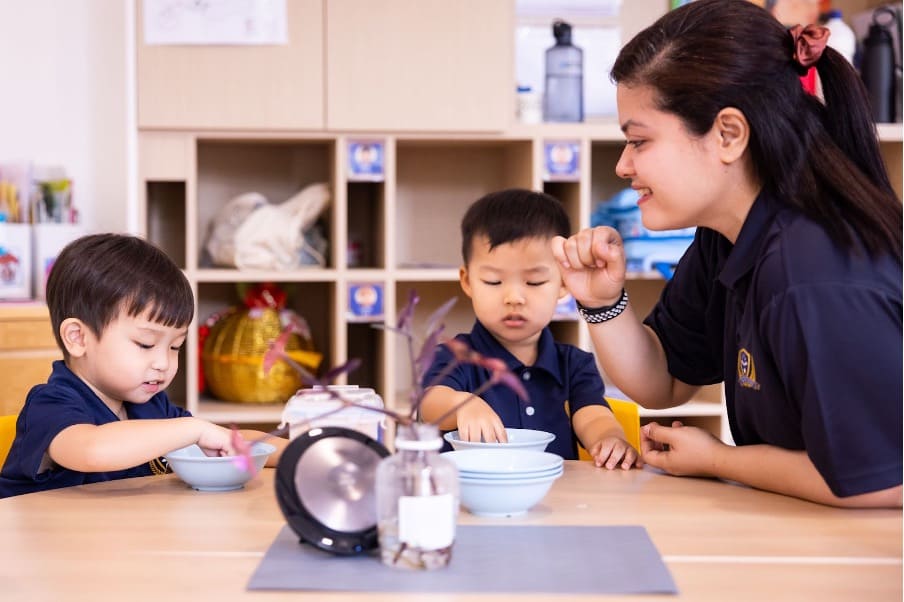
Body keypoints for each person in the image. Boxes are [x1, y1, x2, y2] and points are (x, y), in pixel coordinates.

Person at [551, 0, 902, 507]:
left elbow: (877, 481)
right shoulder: (729, 236)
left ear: (729, 134)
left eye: (639, 141)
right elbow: (664, 381)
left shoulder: (814, 269)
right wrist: (602, 302)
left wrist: (717, 459)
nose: (625, 165)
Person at [0, 233, 286, 497]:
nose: (163, 363)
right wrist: (193, 429)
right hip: (40, 549)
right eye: (145, 344)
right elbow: (93, 450)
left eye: (175, 347)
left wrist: (301, 451)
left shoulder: (151, 408)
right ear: (78, 338)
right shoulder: (49, 405)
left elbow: (223, 441)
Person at [420, 189, 639, 469]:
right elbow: (430, 403)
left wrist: (610, 438)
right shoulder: (454, 356)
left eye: (534, 282)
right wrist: (464, 404)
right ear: (467, 281)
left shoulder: (574, 364)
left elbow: (593, 416)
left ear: (563, 283)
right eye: (493, 281)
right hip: (473, 501)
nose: (514, 297)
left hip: (554, 501)